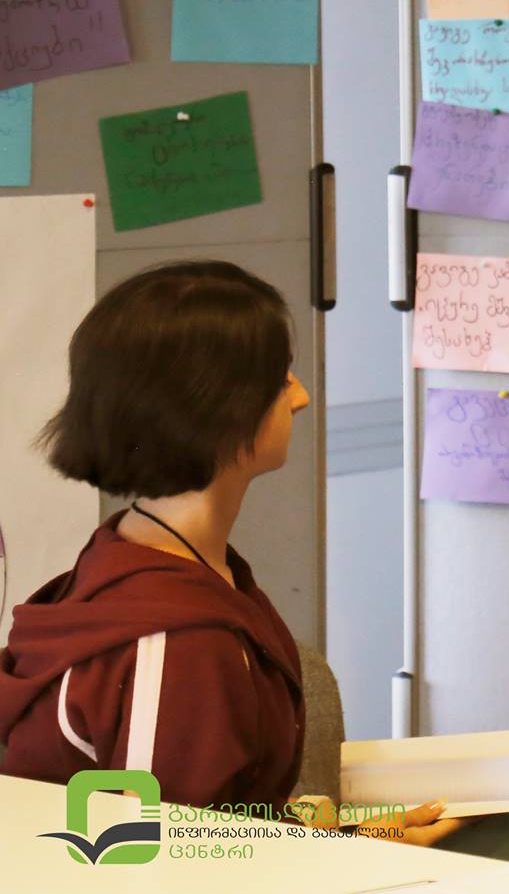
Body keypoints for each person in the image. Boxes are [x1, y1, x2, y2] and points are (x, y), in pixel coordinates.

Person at [0, 261, 458, 844]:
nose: (301, 396)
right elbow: (161, 862)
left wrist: (354, 838)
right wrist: (368, 856)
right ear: (218, 410)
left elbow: (220, 829)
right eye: (281, 379)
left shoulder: (139, 552)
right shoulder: (176, 641)